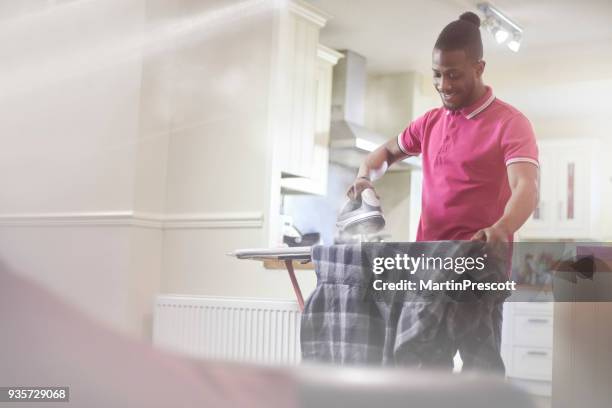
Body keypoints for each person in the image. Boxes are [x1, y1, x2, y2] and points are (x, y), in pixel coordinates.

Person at [347, 11, 539, 373]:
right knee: (426, 369)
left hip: (478, 263)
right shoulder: (430, 123)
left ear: (479, 68)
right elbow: (385, 153)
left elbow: (526, 187)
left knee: (479, 373)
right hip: (429, 264)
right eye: (437, 74)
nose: (444, 84)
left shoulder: (510, 123)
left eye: (454, 75)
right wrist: (364, 175)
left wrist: (502, 227)